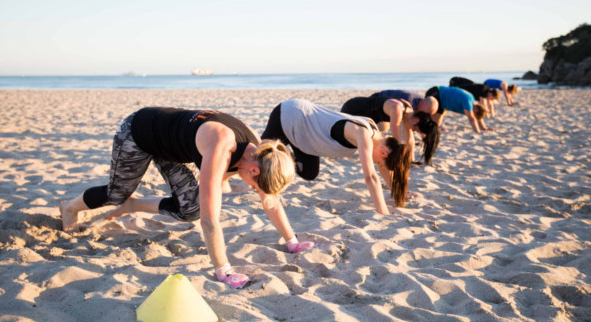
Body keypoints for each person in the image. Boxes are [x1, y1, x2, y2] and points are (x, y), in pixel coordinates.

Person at [59, 107, 313, 289]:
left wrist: (292, 241)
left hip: (173, 149)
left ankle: (132, 205)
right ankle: (70, 208)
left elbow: (269, 200)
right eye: (257, 185)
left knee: (189, 208)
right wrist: (223, 271)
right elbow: (210, 220)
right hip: (140, 133)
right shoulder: (222, 148)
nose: (256, 191)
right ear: (254, 171)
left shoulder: (262, 154)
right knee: (115, 193)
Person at [262, 99, 411, 213]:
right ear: (384, 153)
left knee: (309, 173)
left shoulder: (377, 138)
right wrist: (383, 211)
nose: (378, 165)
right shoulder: (363, 134)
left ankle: (283, 152)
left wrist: (400, 194)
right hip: (291, 114)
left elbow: (383, 167)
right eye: (380, 162)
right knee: (260, 155)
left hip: (305, 136)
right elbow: (370, 177)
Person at [340, 96, 440, 165]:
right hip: (353, 109)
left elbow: (409, 139)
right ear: (416, 120)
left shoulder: (408, 113)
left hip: (367, 117)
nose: (412, 130)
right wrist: (400, 158)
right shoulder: (397, 110)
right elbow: (396, 140)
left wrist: (411, 159)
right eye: (415, 128)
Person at [425, 86, 490, 133]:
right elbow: (471, 118)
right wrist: (477, 131)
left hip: (441, 99)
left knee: (439, 116)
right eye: (476, 115)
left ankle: (435, 129)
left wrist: (483, 127)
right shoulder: (468, 102)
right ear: (476, 110)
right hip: (436, 93)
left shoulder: (472, 99)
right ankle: (429, 131)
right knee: (431, 115)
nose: (474, 116)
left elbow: (476, 118)